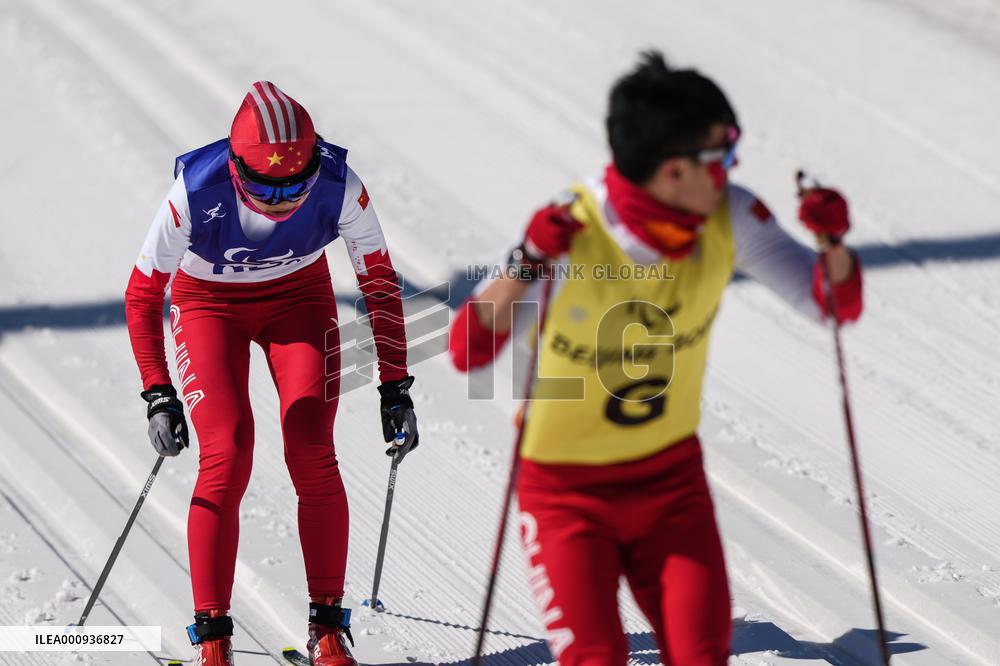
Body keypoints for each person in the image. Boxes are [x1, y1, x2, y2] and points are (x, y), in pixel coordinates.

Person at [448, 52, 862, 666]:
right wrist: (527, 261)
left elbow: (833, 304)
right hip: (565, 495)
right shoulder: (573, 230)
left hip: (670, 486)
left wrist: (833, 244)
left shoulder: (732, 215)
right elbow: (467, 350)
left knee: (702, 654)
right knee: (597, 657)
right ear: (672, 171)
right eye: (721, 155)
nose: (732, 168)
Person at [124, 81, 419, 666]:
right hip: (209, 305)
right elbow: (141, 295)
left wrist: (395, 386)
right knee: (228, 448)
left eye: (295, 186)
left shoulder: (341, 186)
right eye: (263, 186)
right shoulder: (194, 190)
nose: (282, 200)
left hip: (299, 300)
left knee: (311, 443)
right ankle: (212, 640)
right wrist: (158, 393)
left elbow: (380, 285)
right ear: (236, 170)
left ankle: (328, 629)